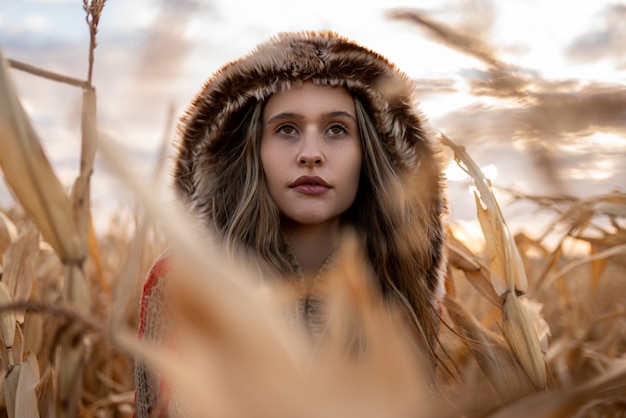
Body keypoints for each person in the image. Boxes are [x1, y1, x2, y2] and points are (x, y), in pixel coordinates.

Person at [134, 30, 447, 417]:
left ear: (369, 152)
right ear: (253, 150)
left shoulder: (403, 293)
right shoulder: (182, 282)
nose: (311, 154)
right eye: (286, 129)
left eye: (337, 129)